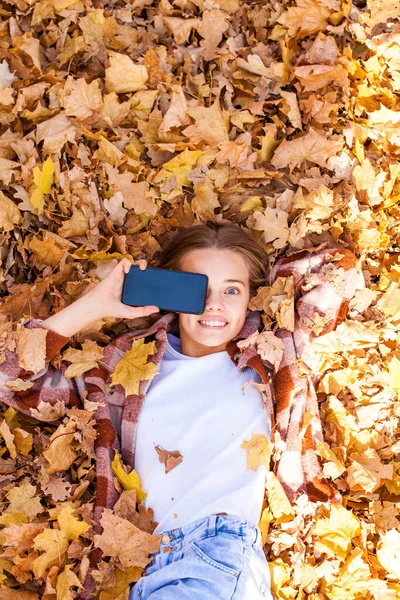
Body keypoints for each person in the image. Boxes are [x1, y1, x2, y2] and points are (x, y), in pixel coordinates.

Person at [1, 221, 274, 600]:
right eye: (197, 289)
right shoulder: (124, 371)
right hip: (132, 563)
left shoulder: (269, 358)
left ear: (251, 299)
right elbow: (10, 379)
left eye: (232, 290)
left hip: (216, 556)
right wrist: (94, 305)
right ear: (173, 294)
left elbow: (334, 271)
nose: (214, 304)